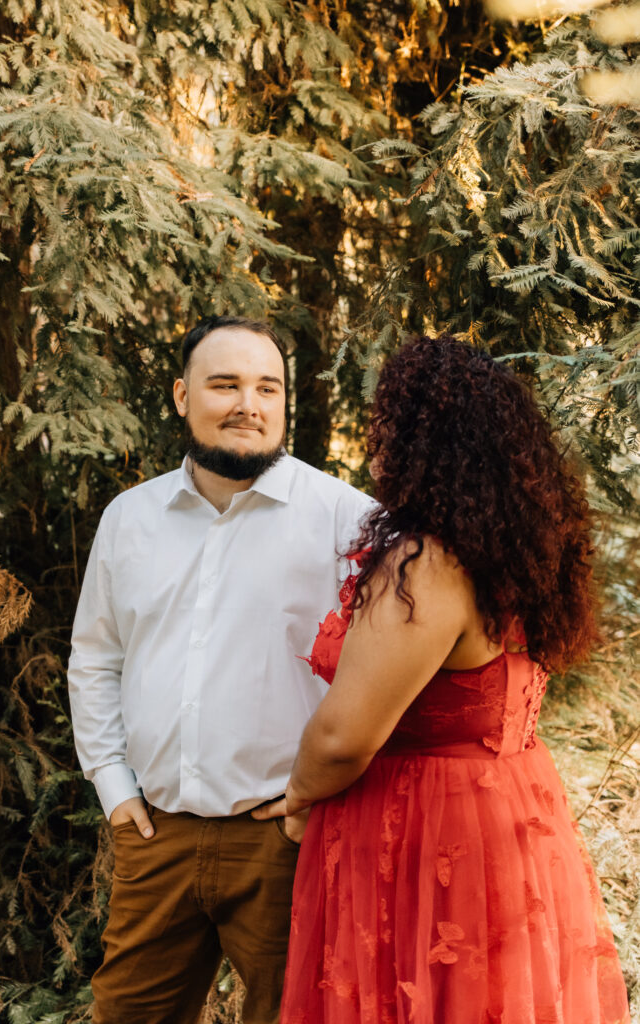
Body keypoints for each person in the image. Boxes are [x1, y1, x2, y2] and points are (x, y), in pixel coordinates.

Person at [254, 334, 631, 1024]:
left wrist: (299, 800)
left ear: (414, 441)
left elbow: (343, 736)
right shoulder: (523, 552)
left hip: (424, 830)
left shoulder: (428, 564)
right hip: (514, 814)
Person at [67, 315, 374, 1024]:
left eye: (268, 387)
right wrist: (114, 789)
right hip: (155, 840)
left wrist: (314, 803)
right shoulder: (129, 518)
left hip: (285, 843)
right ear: (181, 396)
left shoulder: (345, 520)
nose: (250, 404)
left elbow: (386, 680)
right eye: (225, 384)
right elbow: (96, 657)